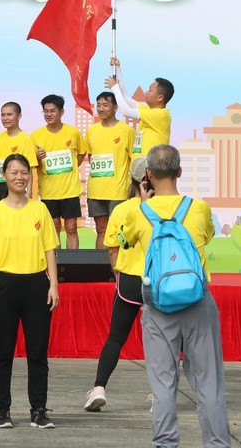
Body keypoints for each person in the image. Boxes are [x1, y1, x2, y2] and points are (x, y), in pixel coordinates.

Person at [119, 145, 231, 448]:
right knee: (209, 383)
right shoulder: (199, 208)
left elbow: (124, 241)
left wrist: (144, 204)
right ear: (180, 171)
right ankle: (217, 444)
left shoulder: (138, 212)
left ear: (148, 174)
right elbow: (207, 235)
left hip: (158, 306)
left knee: (163, 385)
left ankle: (165, 443)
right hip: (197, 302)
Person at [0, 153, 60, 430]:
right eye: (14, 172)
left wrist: (54, 285)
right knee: (3, 354)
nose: (20, 177)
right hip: (3, 286)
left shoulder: (40, 210)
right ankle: (1, 410)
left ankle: (39, 411)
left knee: (37, 353)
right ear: (4, 176)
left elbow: (50, 249)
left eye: (24, 172)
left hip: (36, 286)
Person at [84, 157, 149, 412]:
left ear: (132, 180)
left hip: (129, 280)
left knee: (115, 338)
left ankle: (99, 388)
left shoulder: (122, 210)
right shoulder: (166, 207)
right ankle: (160, 394)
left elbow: (112, 248)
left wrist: (117, 275)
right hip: (160, 281)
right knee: (164, 341)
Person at [31, 95, 87, 250]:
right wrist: (38, 158)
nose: (49, 114)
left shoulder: (73, 132)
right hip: (49, 192)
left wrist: (72, 167)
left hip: (70, 191)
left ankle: (72, 262)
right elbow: (33, 164)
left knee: (71, 228)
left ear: (61, 112)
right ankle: (55, 262)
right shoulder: (36, 135)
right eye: (46, 111)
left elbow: (81, 152)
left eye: (53, 111)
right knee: (53, 229)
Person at [85, 91, 135, 249]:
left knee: (118, 231)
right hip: (96, 190)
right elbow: (91, 156)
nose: (101, 109)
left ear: (115, 107)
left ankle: (119, 264)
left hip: (118, 190)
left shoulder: (127, 131)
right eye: (98, 105)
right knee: (101, 229)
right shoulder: (91, 130)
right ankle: (101, 264)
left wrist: (132, 187)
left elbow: (133, 159)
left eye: (105, 105)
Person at [106, 57, 174, 159]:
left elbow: (126, 111)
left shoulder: (162, 115)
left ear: (160, 97)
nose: (146, 92)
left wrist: (115, 89)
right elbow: (126, 99)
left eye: (150, 90)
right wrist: (117, 68)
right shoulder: (148, 109)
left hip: (152, 165)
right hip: (139, 165)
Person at [0, 102, 37, 203]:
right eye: (3, 115)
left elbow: (29, 168)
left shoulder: (25, 139)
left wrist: (29, 192)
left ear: (19, 116)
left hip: (16, 187)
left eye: (9, 114)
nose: (5, 118)